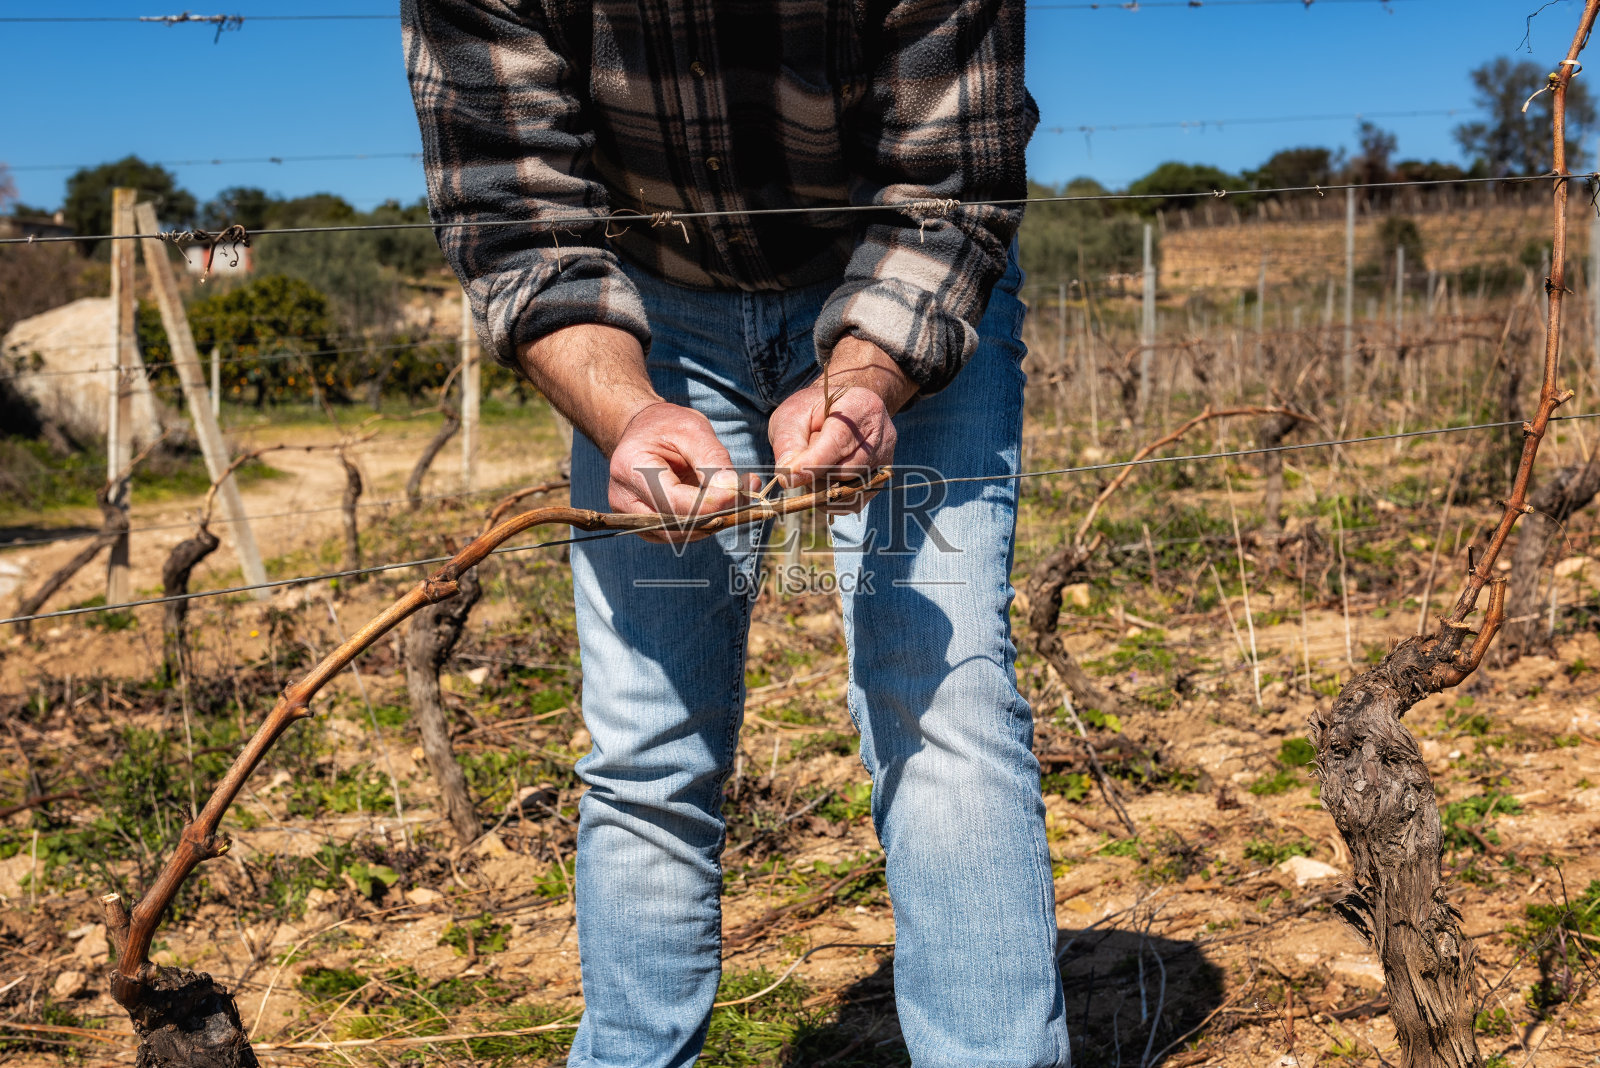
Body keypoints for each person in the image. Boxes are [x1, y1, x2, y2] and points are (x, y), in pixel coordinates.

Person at [401, 1, 1070, 1063]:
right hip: (649, 320)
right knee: (648, 735)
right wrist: (629, 413)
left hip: (904, 292)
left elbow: (946, 191)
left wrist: (862, 377)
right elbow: (512, 208)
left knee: (940, 695)